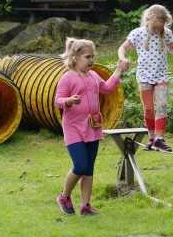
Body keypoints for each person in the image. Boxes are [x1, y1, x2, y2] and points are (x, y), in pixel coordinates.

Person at [55, 37, 129, 216]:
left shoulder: (94, 75)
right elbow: (58, 100)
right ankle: (64, 196)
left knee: (89, 168)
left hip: (93, 126)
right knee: (80, 165)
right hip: (73, 127)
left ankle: (85, 206)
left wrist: (118, 70)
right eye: (88, 57)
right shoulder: (67, 78)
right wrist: (69, 101)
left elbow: (107, 88)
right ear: (75, 58)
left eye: (93, 56)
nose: (92, 60)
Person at [117, 4, 173, 152]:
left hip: (161, 75)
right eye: (154, 27)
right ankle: (152, 137)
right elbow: (122, 48)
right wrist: (122, 58)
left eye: (159, 27)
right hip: (144, 76)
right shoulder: (137, 33)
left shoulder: (166, 33)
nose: (157, 30)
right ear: (147, 21)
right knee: (148, 108)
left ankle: (160, 138)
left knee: (161, 105)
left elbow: (172, 48)